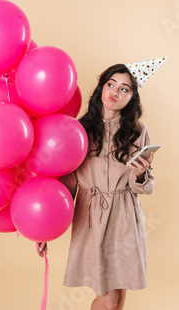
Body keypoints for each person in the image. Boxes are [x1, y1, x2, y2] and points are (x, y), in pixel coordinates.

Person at [37, 58, 166, 310]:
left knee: (118, 297)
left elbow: (144, 186)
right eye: (111, 84)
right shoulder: (80, 129)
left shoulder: (138, 131)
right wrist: (46, 227)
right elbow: (69, 181)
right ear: (101, 88)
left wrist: (139, 175)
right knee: (106, 299)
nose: (115, 92)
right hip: (92, 216)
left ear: (131, 98)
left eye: (124, 89)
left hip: (125, 216)